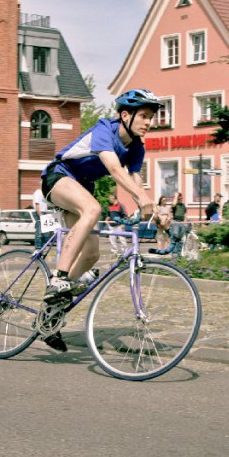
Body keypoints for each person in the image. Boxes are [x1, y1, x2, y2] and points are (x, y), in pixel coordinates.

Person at [38, 89, 159, 351]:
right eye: (144, 116)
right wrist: (140, 196)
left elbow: (136, 180)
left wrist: (153, 207)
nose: (149, 122)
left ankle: (50, 313)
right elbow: (115, 170)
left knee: (92, 255)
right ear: (125, 115)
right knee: (93, 209)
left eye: (151, 117)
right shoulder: (105, 130)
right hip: (58, 176)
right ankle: (59, 277)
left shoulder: (136, 146)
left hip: (82, 187)